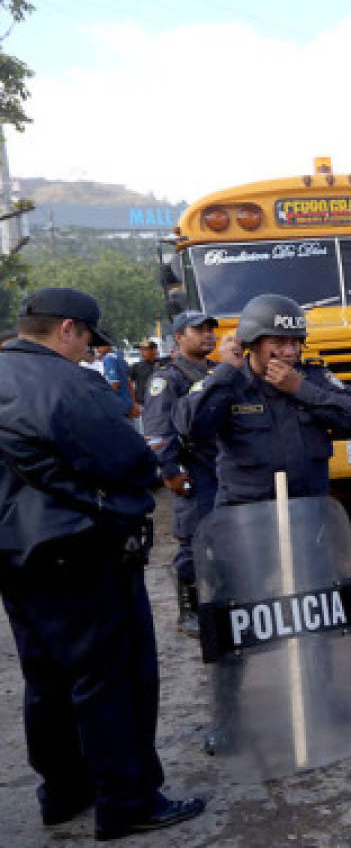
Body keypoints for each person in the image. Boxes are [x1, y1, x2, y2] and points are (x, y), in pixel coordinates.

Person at [0, 287, 205, 839]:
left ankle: (62, 793)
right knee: (112, 680)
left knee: (45, 680)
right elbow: (128, 461)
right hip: (83, 552)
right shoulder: (68, 383)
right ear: (67, 328)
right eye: (89, 338)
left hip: (16, 559)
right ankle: (127, 800)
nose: (91, 351)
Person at [173, 293, 351, 505]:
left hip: (308, 513)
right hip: (247, 518)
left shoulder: (313, 378)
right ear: (253, 343)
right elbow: (190, 425)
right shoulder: (228, 381)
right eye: (279, 343)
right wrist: (227, 371)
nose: (290, 352)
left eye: (296, 342)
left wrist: (301, 389)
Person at [142, 311, 220, 637]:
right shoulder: (168, 379)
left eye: (209, 330)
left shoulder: (219, 372)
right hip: (194, 470)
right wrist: (171, 472)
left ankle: (221, 603)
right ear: (179, 337)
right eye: (198, 330)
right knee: (193, 542)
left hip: (222, 468)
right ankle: (189, 611)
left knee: (225, 538)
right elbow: (158, 432)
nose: (207, 335)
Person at [99, 343, 138, 421]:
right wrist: (133, 404)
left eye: (99, 344)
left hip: (118, 406)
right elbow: (130, 383)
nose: (97, 348)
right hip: (127, 404)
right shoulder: (120, 358)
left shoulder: (109, 358)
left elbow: (114, 385)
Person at [129, 339, 164, 407]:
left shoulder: (164, 365)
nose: (142, 352)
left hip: (160, 404)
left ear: (154, 350)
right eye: (140, 350)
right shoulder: (136, 367)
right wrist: (133, 402)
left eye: (145, 349)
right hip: (142, 404)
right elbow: (129, 384)